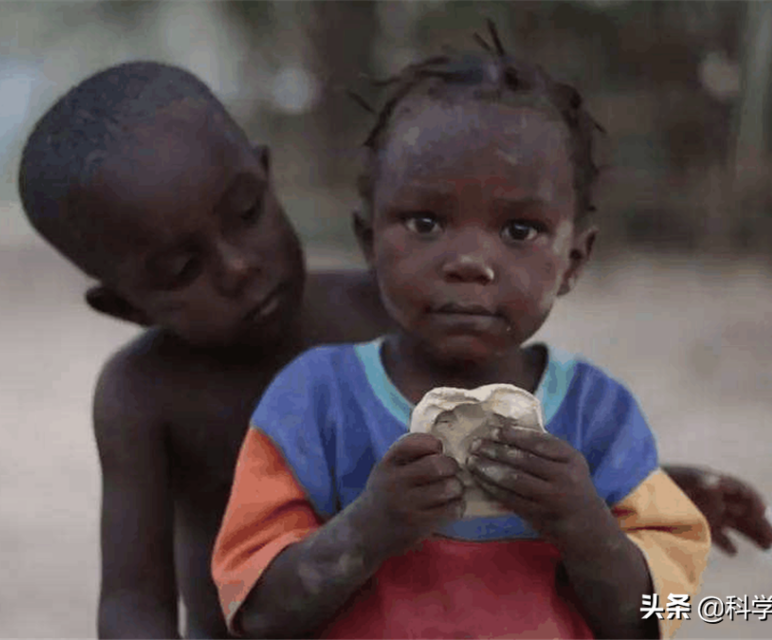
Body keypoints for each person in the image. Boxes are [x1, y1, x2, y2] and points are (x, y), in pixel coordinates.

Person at [18, 60, 772, 639]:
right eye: (182, 269)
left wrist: (640, 490)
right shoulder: (142, 394)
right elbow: (131, 603)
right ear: (124, 305)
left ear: (266, 175)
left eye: (245, 213)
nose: (238, 265)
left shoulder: (397, 303)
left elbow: (503, 462)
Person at [210, 41, 712, 640]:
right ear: (369, 239)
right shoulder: (313, 402)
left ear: (574, 259)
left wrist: (585, 527)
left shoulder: (599, 416)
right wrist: (368, 529)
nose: (471, 261)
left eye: (519, 229)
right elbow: (258, 616)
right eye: (426, 222)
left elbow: (648, 621)